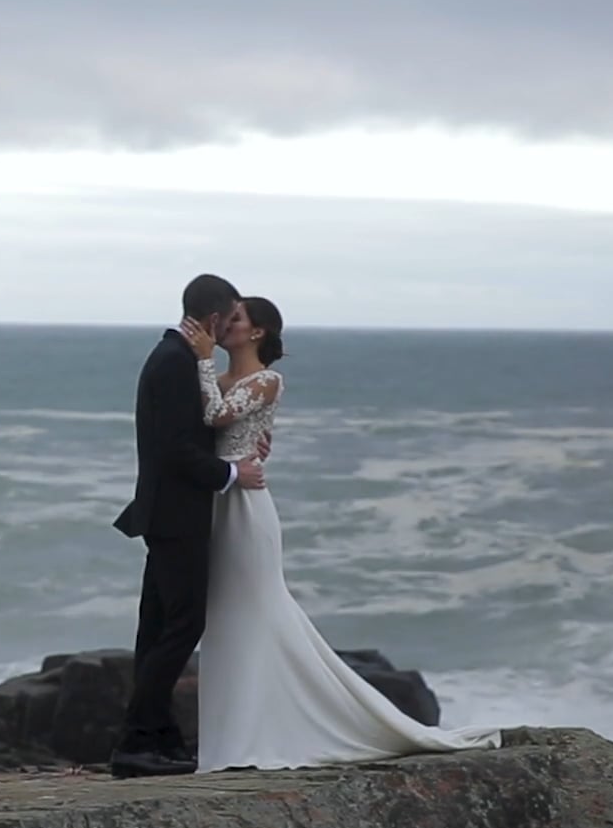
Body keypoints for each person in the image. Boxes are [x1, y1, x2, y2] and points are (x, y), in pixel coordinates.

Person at [183, 296, 502, 771]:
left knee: (259, 607)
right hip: (217, 502)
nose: (223, 325)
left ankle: (278, 727)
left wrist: (204, 360)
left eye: (236, 319)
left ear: (258, 332)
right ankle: (234, 733)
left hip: (247, 508)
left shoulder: (266, 381)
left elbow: (217, 417)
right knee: (225, 615)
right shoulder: (221, 379)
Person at [109, 273, 267, 779]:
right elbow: (177, 448)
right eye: (230, 319)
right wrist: (231, 473)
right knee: (183, 625)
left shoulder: (173, 357)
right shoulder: (176, 362)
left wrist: (244, 446)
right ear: (215, 318)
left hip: (166, 512)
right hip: (178, 515)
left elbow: (202, 428)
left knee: (156, 629)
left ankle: (159, 736)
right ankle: (136, 741)